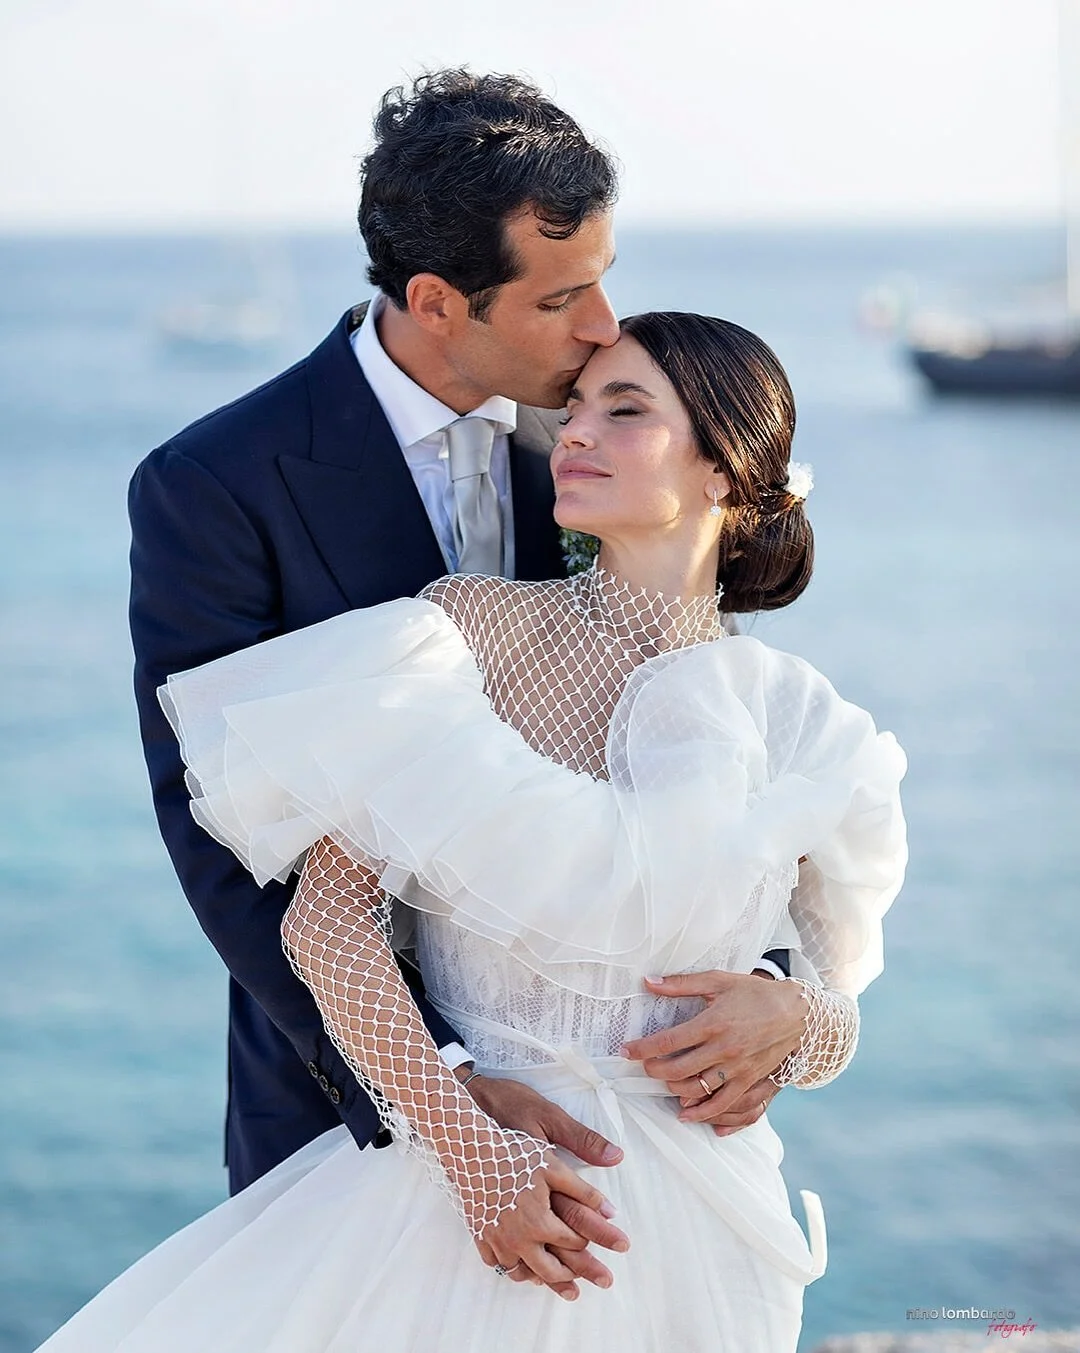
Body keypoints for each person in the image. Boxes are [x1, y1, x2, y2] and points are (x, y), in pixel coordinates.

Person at [38, 311, 907, 1352]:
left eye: (622, 412)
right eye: (576, 406)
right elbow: (328, 926)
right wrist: (467, 1148)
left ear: (724, 469)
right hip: (471, 1197)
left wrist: (802, 1023)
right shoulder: (467, 632)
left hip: (703, 1231)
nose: (575, 432)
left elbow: (831, 978)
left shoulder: (801, 716)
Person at [125, 67, 812, 1295]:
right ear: (437, 300)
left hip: (644, 1135)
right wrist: (442, 1092)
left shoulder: (607, 440)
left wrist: (778, 992)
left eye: (606, 275)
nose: (606, 324)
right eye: (562, 296)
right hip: (352, 1109)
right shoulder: (217, 484)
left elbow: (721, 739)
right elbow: (221, 841)